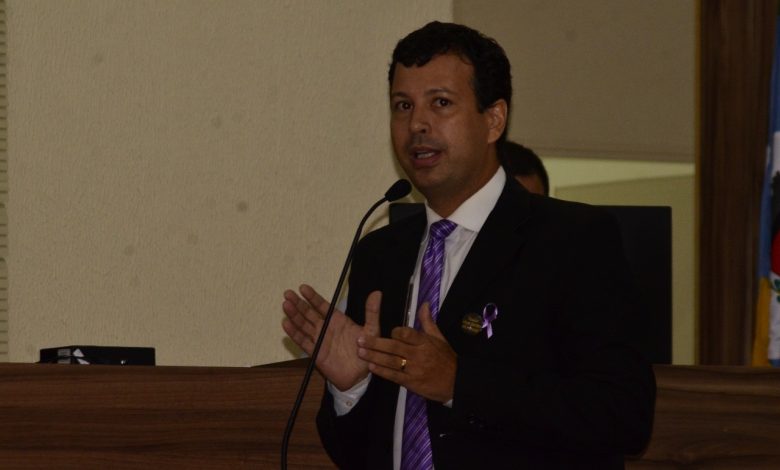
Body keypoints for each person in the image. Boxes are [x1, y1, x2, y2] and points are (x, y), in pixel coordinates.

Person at [282, 21, 655, 469]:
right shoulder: (379, 255)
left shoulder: (573, 239)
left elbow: (623, 416)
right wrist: (351, 387)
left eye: (440, 103)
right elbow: (358, 454)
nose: (416, 124)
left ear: (493, 119)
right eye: (403, 105)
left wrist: (460, 384)